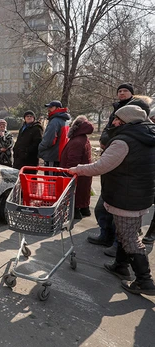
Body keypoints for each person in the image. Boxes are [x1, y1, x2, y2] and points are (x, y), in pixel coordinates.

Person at [69, 105, 155, 295]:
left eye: (117, 119)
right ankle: (120, 265)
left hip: (126, 196)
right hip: (140, 194)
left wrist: (78, 169)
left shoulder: (124, 141)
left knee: (129, 236)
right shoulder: (146, 137)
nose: (114, 122)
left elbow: (101, 166)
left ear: (126, 121)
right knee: (128, 232)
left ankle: (144, 281)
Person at [88, 84, 152, 253]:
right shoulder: (123, 124)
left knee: (127, 232)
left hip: (127, 184)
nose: (121, 93)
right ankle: (111, 243)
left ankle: (139, 273)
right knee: (105, 210)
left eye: (125, 91)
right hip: (120, 179)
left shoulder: (130, 135)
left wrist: (76, 169)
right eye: (119, 91)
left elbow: (99, 167)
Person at [60, 116, 94, 219]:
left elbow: (73, 161)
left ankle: (75, 212)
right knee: (83, 191)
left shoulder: (77, 141)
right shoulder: (83, 138)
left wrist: (68, 172)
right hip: (84, 172)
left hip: (76, 173)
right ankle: (84, 209)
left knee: (76, 193)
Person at [38, 100, 71, 168]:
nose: (48, 109)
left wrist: (40, 147)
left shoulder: (55, 121)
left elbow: (49, 140)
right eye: (48, 107)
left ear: (58, 108)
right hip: (61, 154)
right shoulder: (64, 120)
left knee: (50, 177)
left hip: (52, 155)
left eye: (51, 107)